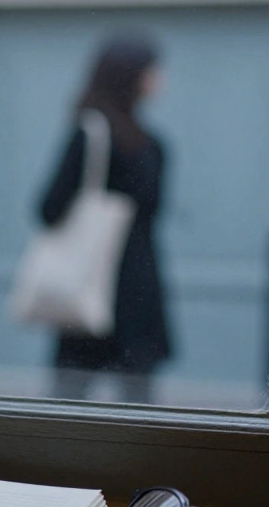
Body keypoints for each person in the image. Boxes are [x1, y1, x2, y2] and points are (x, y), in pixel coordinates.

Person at [38, 32, 171, 404]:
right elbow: (153, 216)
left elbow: (48, 209)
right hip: (136, 292)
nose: (159, 79)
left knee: (66, 412)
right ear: (132, 76)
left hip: (89, 289)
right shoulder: (151, 146)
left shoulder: (90, 133)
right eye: (152, 71)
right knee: (139, 418)